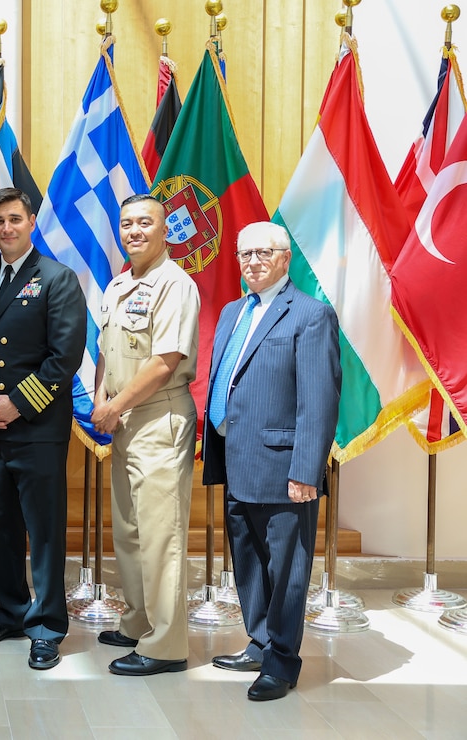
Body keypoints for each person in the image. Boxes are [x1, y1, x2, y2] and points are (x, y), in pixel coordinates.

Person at [202, 221, 340, 701]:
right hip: (236, 460)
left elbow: (318, 402)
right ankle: (259, 642)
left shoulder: (309, 315)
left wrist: (307, 470)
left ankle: (282, 662)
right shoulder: (231, 312)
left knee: (287, 569)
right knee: (248, 562)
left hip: (285, 470)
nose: (252, 262)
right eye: (244, 254)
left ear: (285, 258)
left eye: (263, 253)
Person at [0, 187, 86, 671]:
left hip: (35, 427)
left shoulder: (56, 278)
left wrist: (15, 404)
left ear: (31, 222)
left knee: (44, 530)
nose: (7, 228)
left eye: (15, 219)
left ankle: (47, 625)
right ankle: (11, 611)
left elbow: (64, 357)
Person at [91, 193, 200, 677]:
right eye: (127, 223)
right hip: (123, 420)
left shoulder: (174, 285)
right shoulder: (118, 286)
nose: (134, 231)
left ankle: (165, 645)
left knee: (162, 535)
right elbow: (104, 354)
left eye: (145, 223)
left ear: (165, 230)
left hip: (159, 418)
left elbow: (165, 362)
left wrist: (114, 406)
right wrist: (100, 400)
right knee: (130, 532)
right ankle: (138, 622)